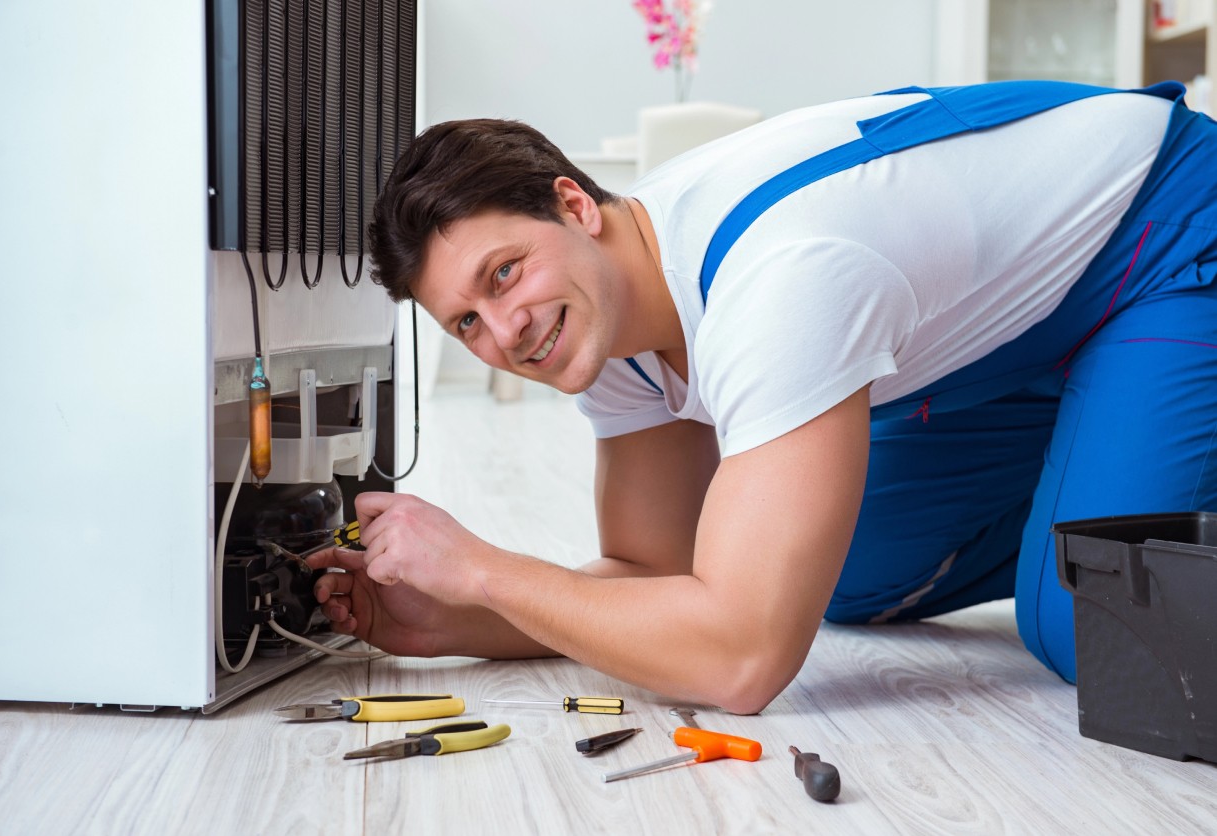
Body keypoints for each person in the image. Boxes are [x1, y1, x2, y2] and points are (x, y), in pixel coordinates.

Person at [308, 79, 1217, 714]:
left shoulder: (777, 282)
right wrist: (457, 621)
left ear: (574, 205)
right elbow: (656, 577)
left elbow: (740, 660)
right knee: (849, 568)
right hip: (1032, 322)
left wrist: (481, 568)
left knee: (1094, 626)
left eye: (502, 275)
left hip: (1166, 236)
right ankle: (1111, 449)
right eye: (466, 322)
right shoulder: (612, 312)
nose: (504, 333)